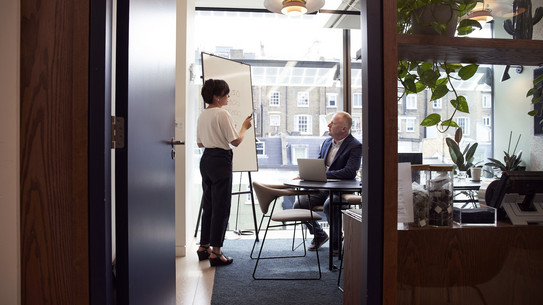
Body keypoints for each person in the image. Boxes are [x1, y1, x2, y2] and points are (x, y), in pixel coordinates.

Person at [196, 79, 252, 266]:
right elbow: (235, 141)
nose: (228, 96)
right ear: (216, 97)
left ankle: (204, 247)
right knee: (221, 206)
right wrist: (244, 126)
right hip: (220, 160)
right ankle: (217, 252)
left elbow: (200, 143)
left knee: (209, 204)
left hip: (206, 160)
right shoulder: (222, 114)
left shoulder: (203, 115)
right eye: (226, 94)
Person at [292, 111, 362, 254]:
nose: (329, 125)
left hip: (341, 190)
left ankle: (336, 240)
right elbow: (319, 164)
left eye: (333, 123)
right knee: (299, 204)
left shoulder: (355, 145)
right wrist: (308, 174)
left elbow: (349, 172)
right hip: (323, 188)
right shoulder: (326, 143)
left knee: (330, 205)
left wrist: (323, 174)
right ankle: (319, 234)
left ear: (343, 129)